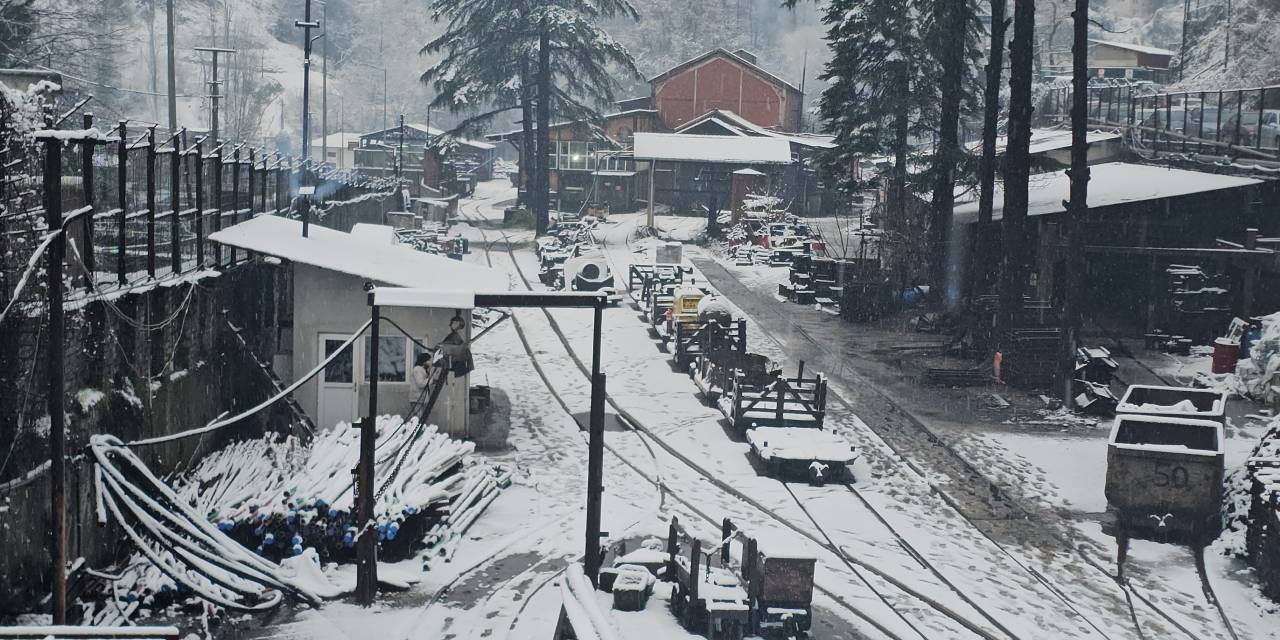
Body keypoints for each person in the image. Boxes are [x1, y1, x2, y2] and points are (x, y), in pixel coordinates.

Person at [408, 351, 432, 419]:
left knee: (418, 417)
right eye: (428, 361)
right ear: (423, 361)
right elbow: (421, 383)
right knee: (418, 418)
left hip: (419, 398)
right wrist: (432, 380)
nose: (430, 363)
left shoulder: (421, 370)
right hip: (417, 398)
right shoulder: (418, 370)